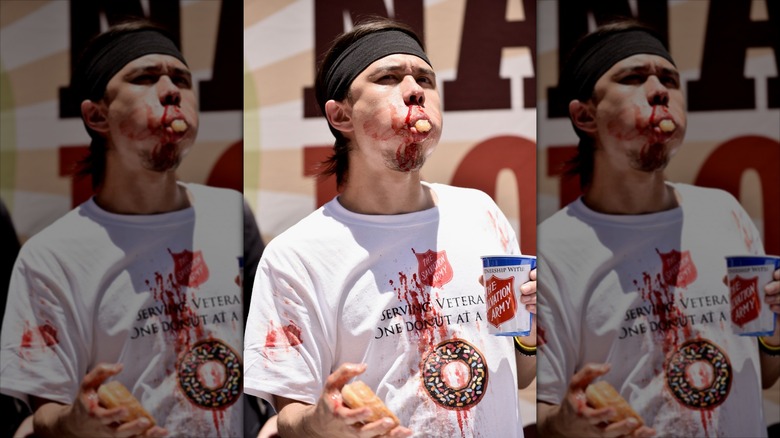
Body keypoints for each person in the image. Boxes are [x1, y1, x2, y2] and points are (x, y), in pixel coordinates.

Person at [244, 16, 537, 438]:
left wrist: (531, 326)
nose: (416, 89)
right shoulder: (297, 254)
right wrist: (321, 422)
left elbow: (522, 371)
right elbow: (289, 417)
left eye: (426, 79)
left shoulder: (480, 213)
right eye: (389, 77)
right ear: (341, 116)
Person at [536, 19, 780, 438]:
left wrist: (776, 330)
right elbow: (546, 411)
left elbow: (763, 373)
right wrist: (568, 425)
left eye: (669, 78)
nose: (659, 89)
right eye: (633, 78)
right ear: (585, 115)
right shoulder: (553, 248)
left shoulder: (724, 213)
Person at [0, 20, 245, 437]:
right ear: (96, 116)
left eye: (182, 79)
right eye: (145, 78)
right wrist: (75, 422)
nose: (171, 90)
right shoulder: (51, 255)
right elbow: (45, 410)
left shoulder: (232, 213)